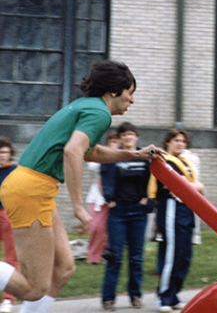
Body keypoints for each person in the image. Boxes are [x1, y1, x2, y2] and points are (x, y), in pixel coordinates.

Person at [0, 60, 160, 313]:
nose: (132, 101)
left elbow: (90, 150)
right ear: (114, 91)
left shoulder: (88, 106)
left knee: (64, 268)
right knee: (34, 288)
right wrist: (77, 206)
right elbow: (73, 150)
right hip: (30, 191)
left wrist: (136, 155)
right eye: (131, 93)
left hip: (32, 188)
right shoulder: (100, 113)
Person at [148, 128, 204, 312]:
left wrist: (191, 186)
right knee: (172, 254)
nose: (180, 144)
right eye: (176, 140)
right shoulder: (164, 160)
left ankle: (173, 294)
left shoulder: (185, 161)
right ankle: (163, 297)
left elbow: (198, 186)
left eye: (183, 141)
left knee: (184, 255)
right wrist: (191, 186)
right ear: (168, 142)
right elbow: (175, 186)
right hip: (171, 207)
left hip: (186, 208)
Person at [100, 123, 152, 311]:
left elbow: (153, 179)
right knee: (115, 256)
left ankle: (135, 295)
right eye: (125, 135)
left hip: (138, 211)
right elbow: (104, 176)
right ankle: (108, 298)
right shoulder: (113, 156)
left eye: (131, 134)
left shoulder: (145, 156)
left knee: (136, 257)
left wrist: (147, 200)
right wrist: (110, 200)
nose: (128, 137)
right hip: (118, 212)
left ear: (136, 137)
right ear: (120, 138)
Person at [86, 132, 120, 266]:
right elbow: (93, 164)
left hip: (116, 198)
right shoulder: (102, 158)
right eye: (111, 142)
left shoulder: (124, 158)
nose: (114, 145)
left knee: (113, 229)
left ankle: (109, 255)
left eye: (117, 142)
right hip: (98, 198)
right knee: (96, 227)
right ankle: (94, 256)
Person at [0, 137, 18, 313]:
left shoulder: (15, 170)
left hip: (8, 215)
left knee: (11, 258)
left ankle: (8, 298)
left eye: (5, 152)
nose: (2, 156)